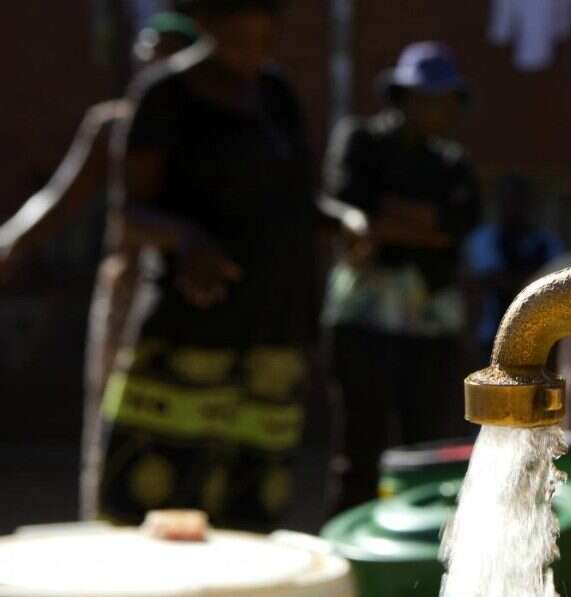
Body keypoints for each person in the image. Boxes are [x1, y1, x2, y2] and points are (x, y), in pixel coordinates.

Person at [98, 0, 328, 531]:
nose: (253, 43)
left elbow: (300, 200)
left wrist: (347, 222)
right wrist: (188, 239)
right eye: (238, 30)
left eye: (264, 31)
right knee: (155, 498)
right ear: (208, 22)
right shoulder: (164, 96)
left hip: (273, 326)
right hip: (191, 329)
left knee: (251, 509)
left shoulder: (278, 95)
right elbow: (128, 214)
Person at [0, 12, 201, 520]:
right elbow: (57, 202)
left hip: (195, 299)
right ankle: (112, 528)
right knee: (119, 422)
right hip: (130, 295)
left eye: (171, 52)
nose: (155, 64)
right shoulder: (114, 125)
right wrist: (8, 245)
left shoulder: (212, 133)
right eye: (150, 53)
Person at [323, 42, 482, 513]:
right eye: (424, 98)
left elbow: (454, 228)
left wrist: (389, 215)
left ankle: (417, 551)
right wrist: (423, 223)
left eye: (444, 100)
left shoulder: (455, 165)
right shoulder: (361, 142)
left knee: (426, 445)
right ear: (402, 98)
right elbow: (349, 206)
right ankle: (348, 547)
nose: (435, 110)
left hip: (429, 326)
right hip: (363, 318)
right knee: (358, 447)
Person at [463, 174, 562, 365]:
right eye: (510, 200)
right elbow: (483, 282)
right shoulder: (483, 240)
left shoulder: (547, 243)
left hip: (535, 341)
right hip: (490, 339)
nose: (515, 209)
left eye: (521, 201)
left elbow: (554, 289)